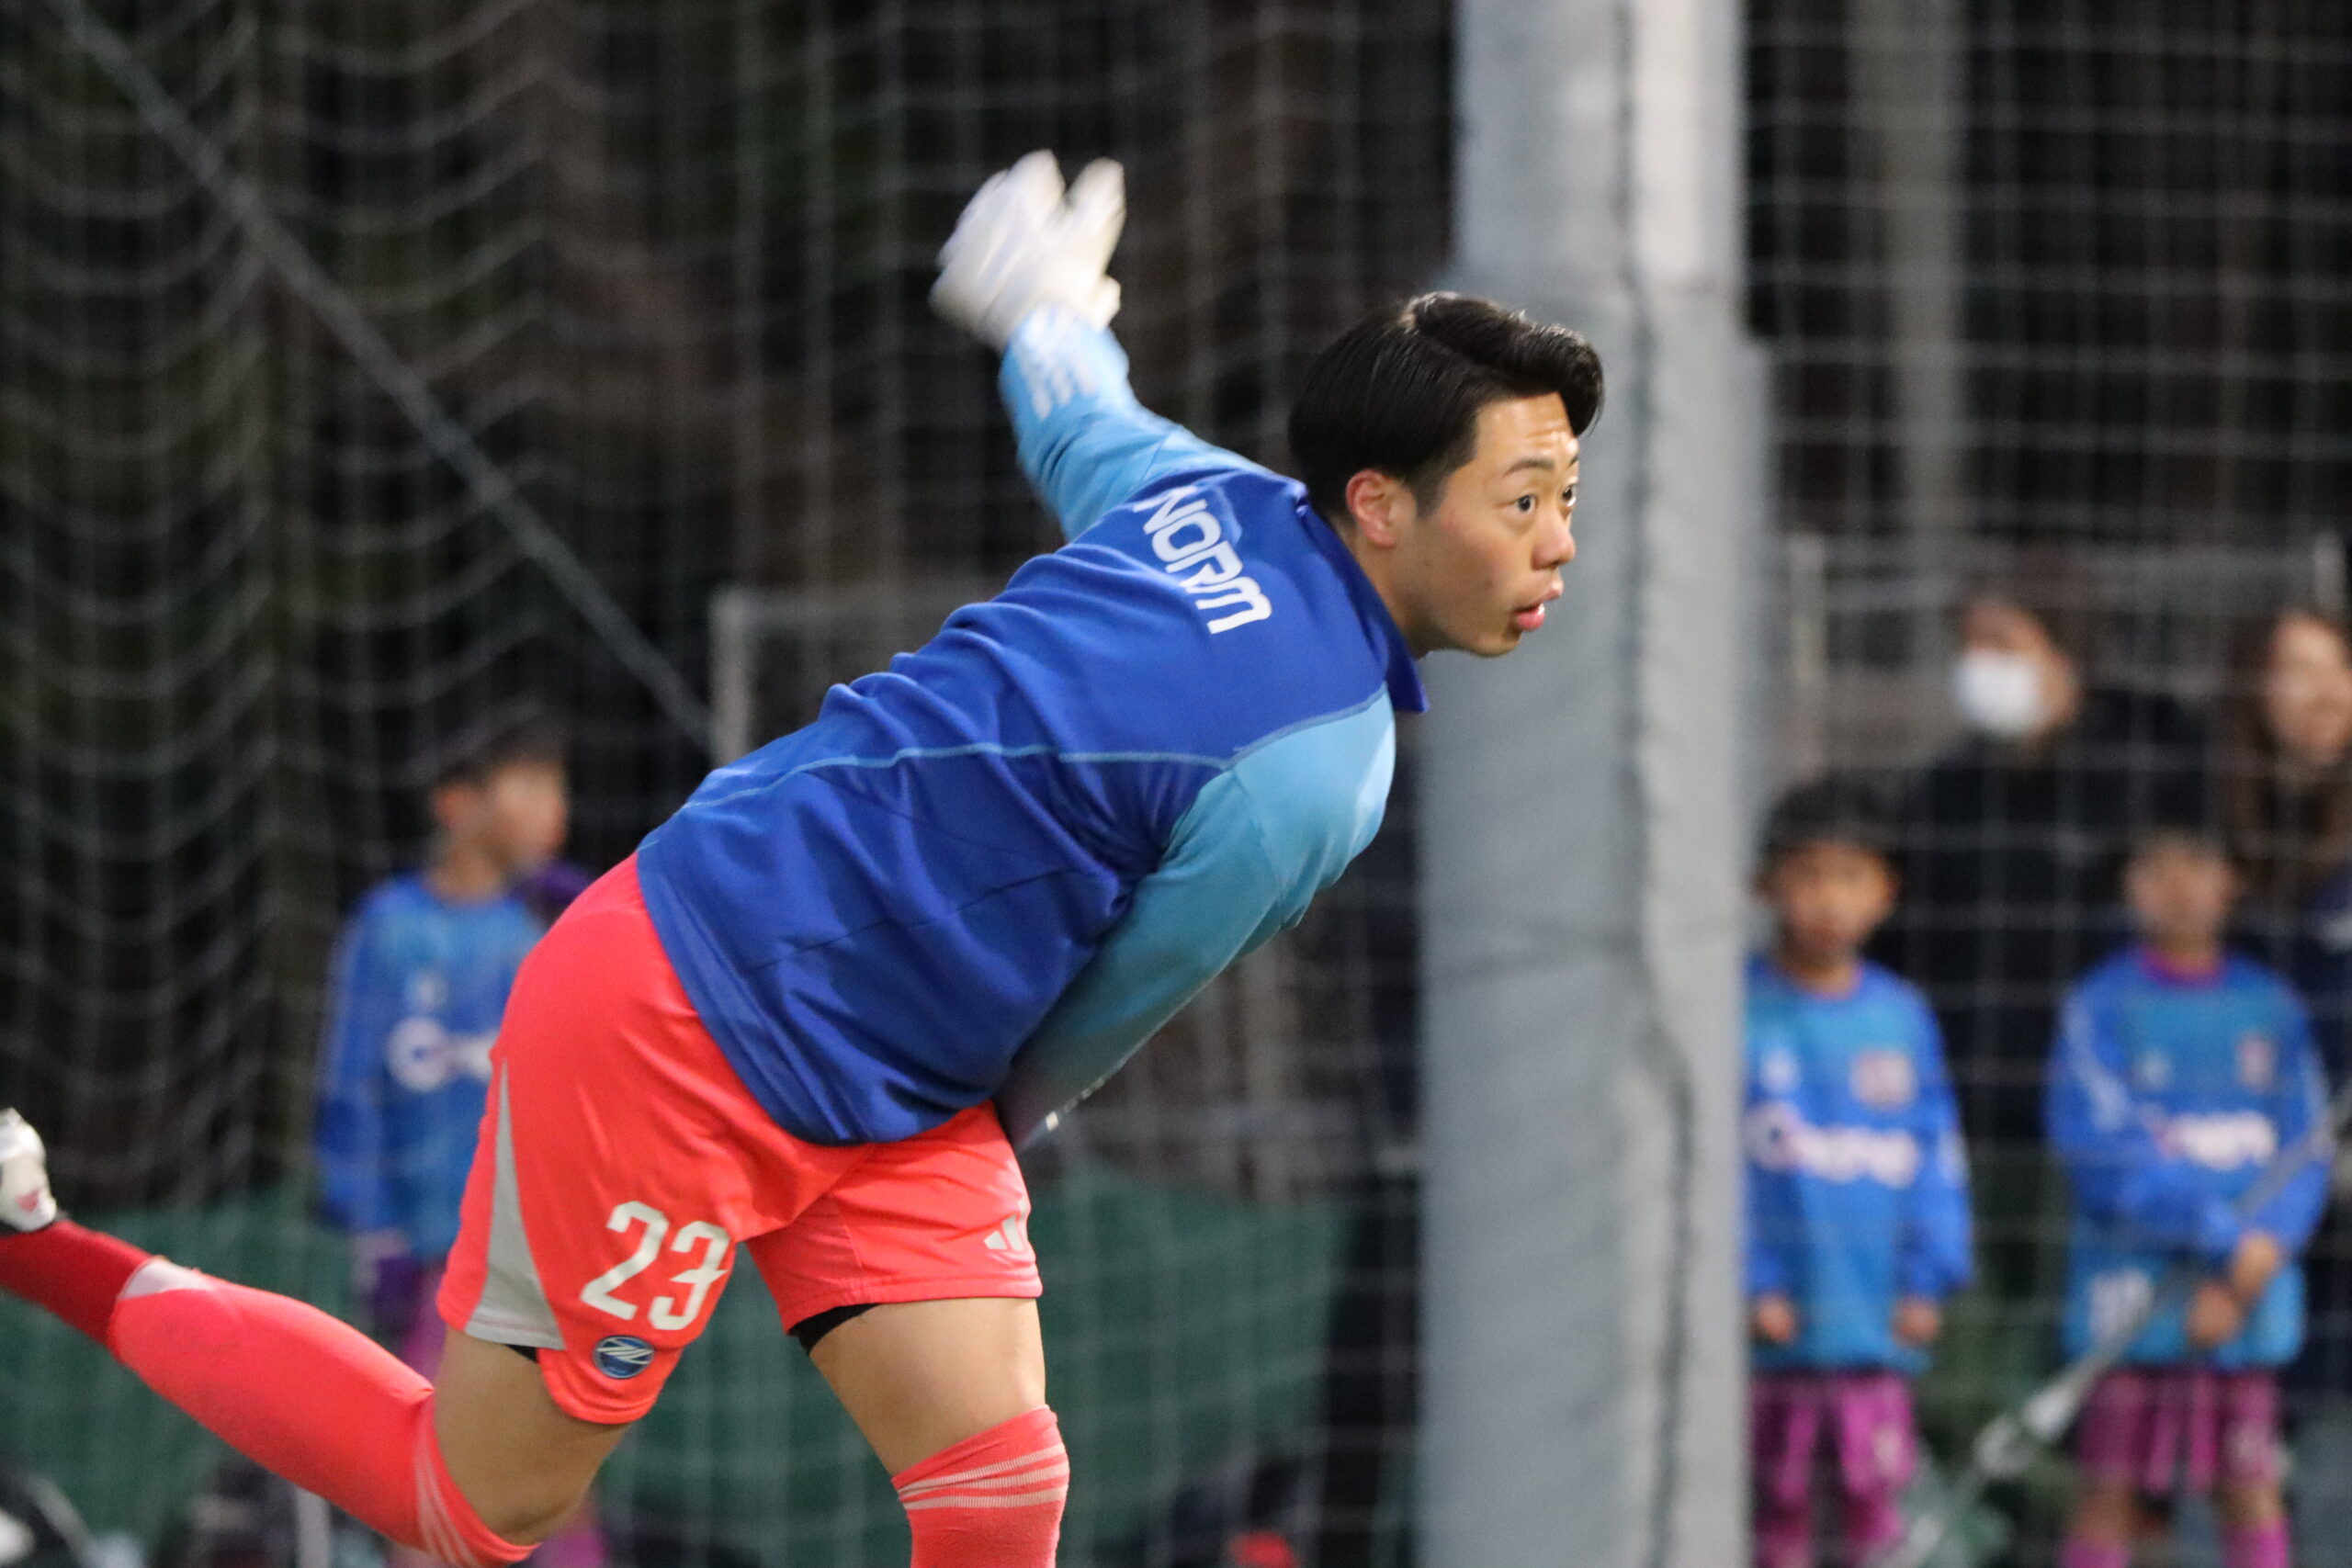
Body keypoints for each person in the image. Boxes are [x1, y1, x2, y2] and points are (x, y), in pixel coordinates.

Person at [0, 151, 1599, 1568]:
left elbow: (1082, 418)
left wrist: (1042, 307)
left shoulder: (1220, 497)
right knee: (472, 1510)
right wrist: (964, 1133)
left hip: (891, 1079)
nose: (1557, 545)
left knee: (999, 1488)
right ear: (1379, 505)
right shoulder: (1321, 766)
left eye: (1567, 497)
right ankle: (34, 1238)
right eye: (1522, 498)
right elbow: (1101, 1018)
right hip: (689, 1014)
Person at [311, 709, 602, 1568]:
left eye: (558, 788)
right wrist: (374, 1231)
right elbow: (349, 1090)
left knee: (557, 1477)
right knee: (437, 1485)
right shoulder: (389, 929)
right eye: (530, 785)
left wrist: (596, 915)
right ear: (458, 804)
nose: (553, 809)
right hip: (439, 1262)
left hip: (552, 1250)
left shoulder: (555, 922)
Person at [2045, 828, 2331, 1568]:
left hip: (2249, 1293)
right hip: (2132, 1293)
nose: (2177, 885)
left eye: (2197, 864)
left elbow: (2307, 1147)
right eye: (2156, 867)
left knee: (2250, 1482)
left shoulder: (2271, 1005)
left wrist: (2260, 1251)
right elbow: (2100, 1151)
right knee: (2108, 1487)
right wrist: (2222, 1240)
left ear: (2232, 880)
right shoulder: (2100, 1006)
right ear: (2128, 884)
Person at [1745, 778, 1973, 1568]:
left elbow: (1935, 1154)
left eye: (1849, 876)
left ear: (1886, 891)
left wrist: (1927, 1275)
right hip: (1772, 1332)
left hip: (1874, 1322)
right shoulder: (1736, 1011)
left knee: (1874, 1515)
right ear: (1765, 885)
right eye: (1808, 874)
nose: (1828, 899)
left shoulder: (1901, 1016)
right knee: (1777, 1514)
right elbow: (1714, 1170)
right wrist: (1752, 1279)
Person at [2213, 606, 2352, 1552]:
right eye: (2294, 670)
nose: (2322, 692)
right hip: (2242, 1201)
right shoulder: (2212, 841)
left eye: (2335, 668)